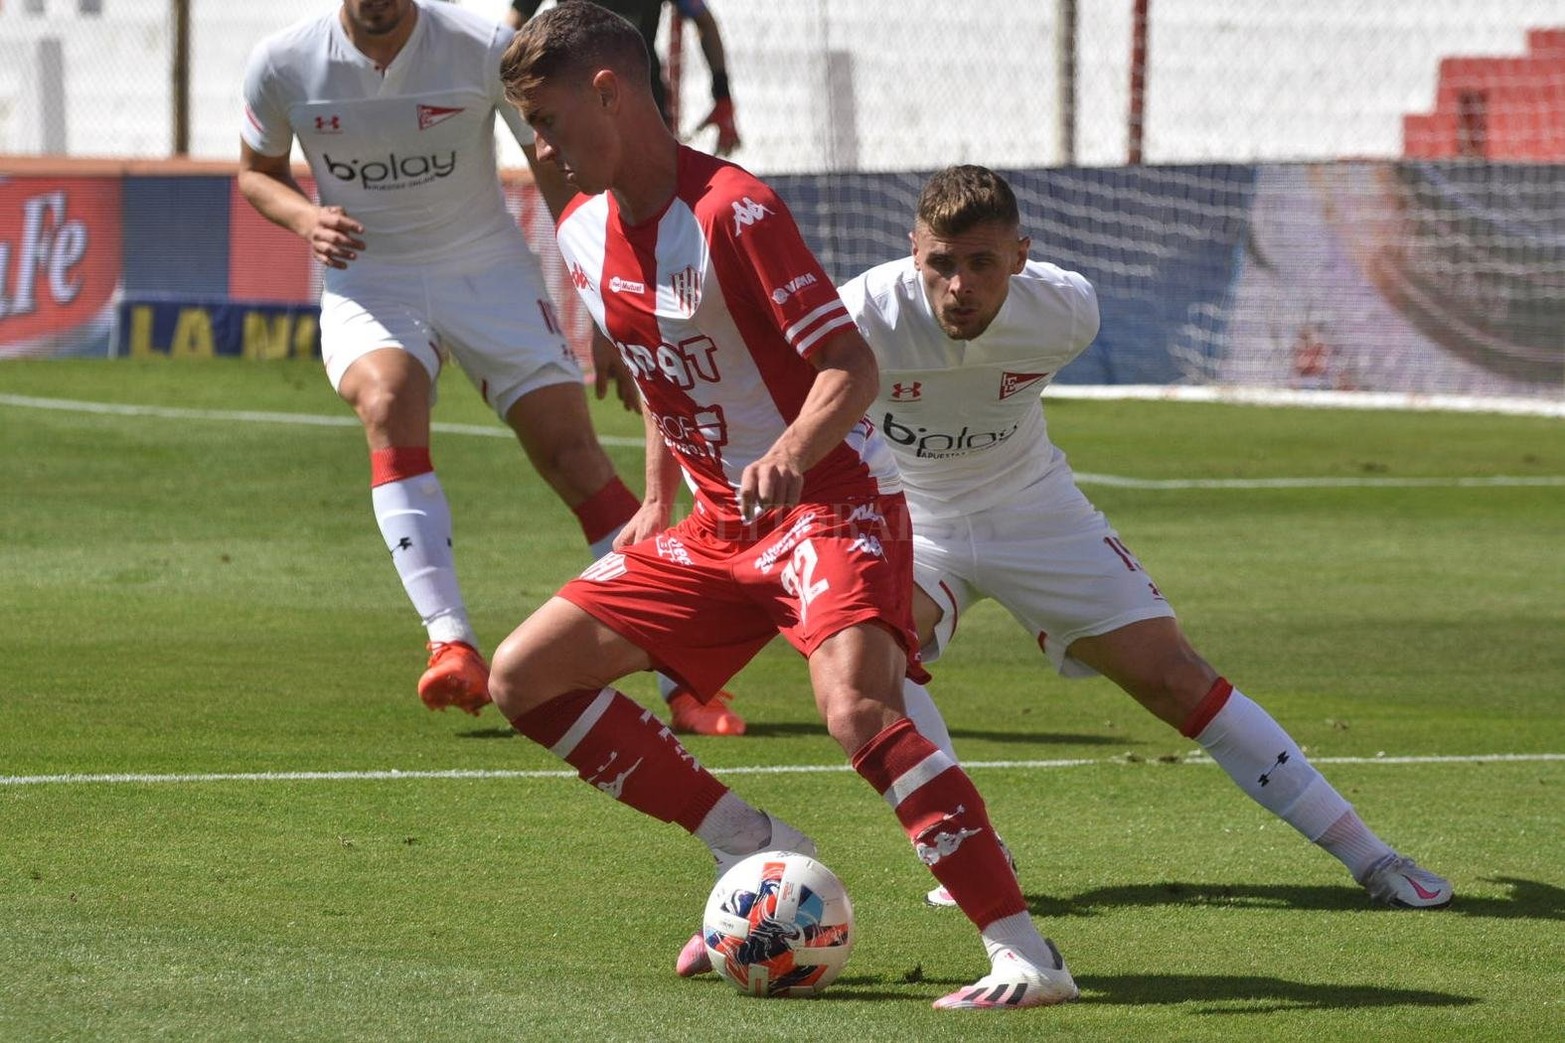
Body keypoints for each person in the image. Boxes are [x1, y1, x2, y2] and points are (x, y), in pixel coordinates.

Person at [490, 4, 1077, 1010]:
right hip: (714, 525)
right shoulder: (583, 229)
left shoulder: (734, 210)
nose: (537, 148)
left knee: (854, 706)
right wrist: (660, 495)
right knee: (524, 677)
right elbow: (660, 373)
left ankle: (1026, 955)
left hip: (827, 503)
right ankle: (749, 844)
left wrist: (791, 454)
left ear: (608, 94)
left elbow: (848, 364)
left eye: (543, 122)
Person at [835, 164, 1454, 912]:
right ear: (913, 251)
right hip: (916, 520)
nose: (959, 285)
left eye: (981, 263)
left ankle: (1372, 856)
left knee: (1174, 676)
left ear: (1019, 257)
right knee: (871, 654)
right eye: (940, 262)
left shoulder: (1066, 311)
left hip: (1036, 511)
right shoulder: (863, 312)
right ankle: (970, 843)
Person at [237, 0, 744, 736]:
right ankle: (450, 641)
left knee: (573, 456)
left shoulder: (482, 47)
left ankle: (680, 678)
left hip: (486, 270)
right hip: (369, 279)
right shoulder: (283, 62)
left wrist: (603, 310)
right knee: (388, 399)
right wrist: (304, 217)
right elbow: (256, 173)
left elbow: (559, 168)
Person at [509, 0, 741, 155]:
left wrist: (723, 98)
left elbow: (510, 30)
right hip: (598, 104)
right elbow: (511, 29)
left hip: (635, 105)